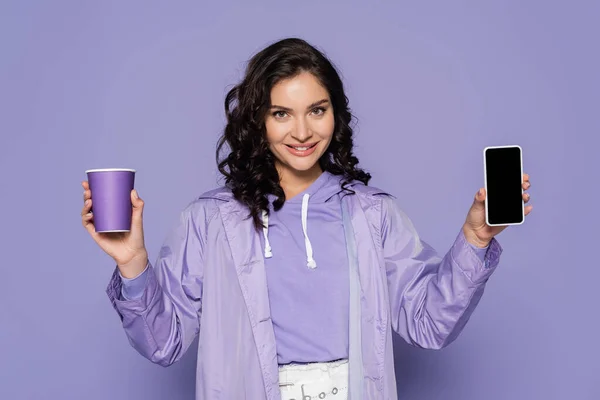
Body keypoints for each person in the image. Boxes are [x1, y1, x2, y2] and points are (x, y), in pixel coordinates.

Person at [81, 38, 533, 400]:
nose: (302, 132)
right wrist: (133, 263)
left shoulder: (371, 214)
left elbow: (429, 323)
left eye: (317, 110)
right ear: (258, 120)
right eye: (282, 114)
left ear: (335, 113)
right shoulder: (210, 220)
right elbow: (164, 342)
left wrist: (475, 238)